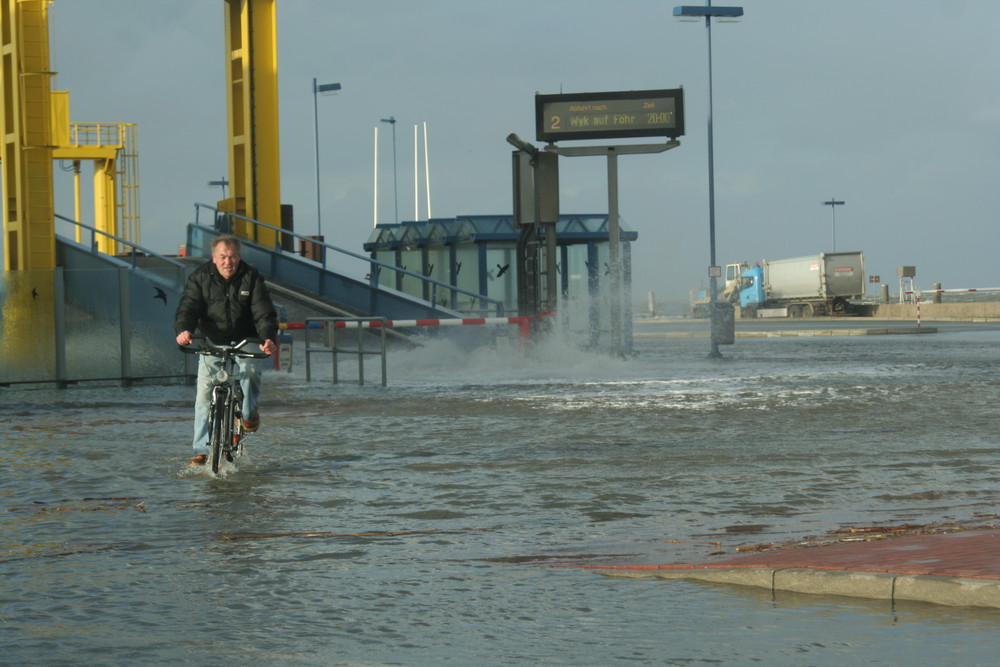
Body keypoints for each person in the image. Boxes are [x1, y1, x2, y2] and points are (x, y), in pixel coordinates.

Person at [174, 234, 278, 466]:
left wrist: (268, 337)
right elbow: (188, 307)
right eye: (222, 257)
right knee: (203, 396)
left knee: (250, 373)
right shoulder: (200, 278)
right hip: (212, 340)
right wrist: (184, 330)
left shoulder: (251, 277)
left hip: (245, 338)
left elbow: (263, 312)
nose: (228, 262)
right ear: (214, 258)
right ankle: (201, 450)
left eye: (232, 257)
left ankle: (249, 414)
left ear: (239, 257)